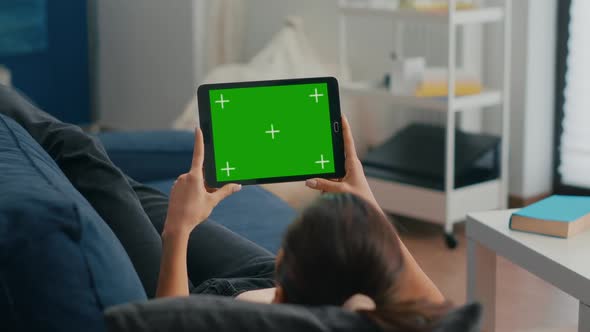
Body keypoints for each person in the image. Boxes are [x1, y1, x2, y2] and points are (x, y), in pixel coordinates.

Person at [157, 116, 449, 330]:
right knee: (148, 201)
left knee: (120, 193)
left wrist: (178, 230)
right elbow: (438, 313)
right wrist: (368, 209)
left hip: (225, 299)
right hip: (278, 282)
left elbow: (171, 324)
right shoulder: (374, 312)